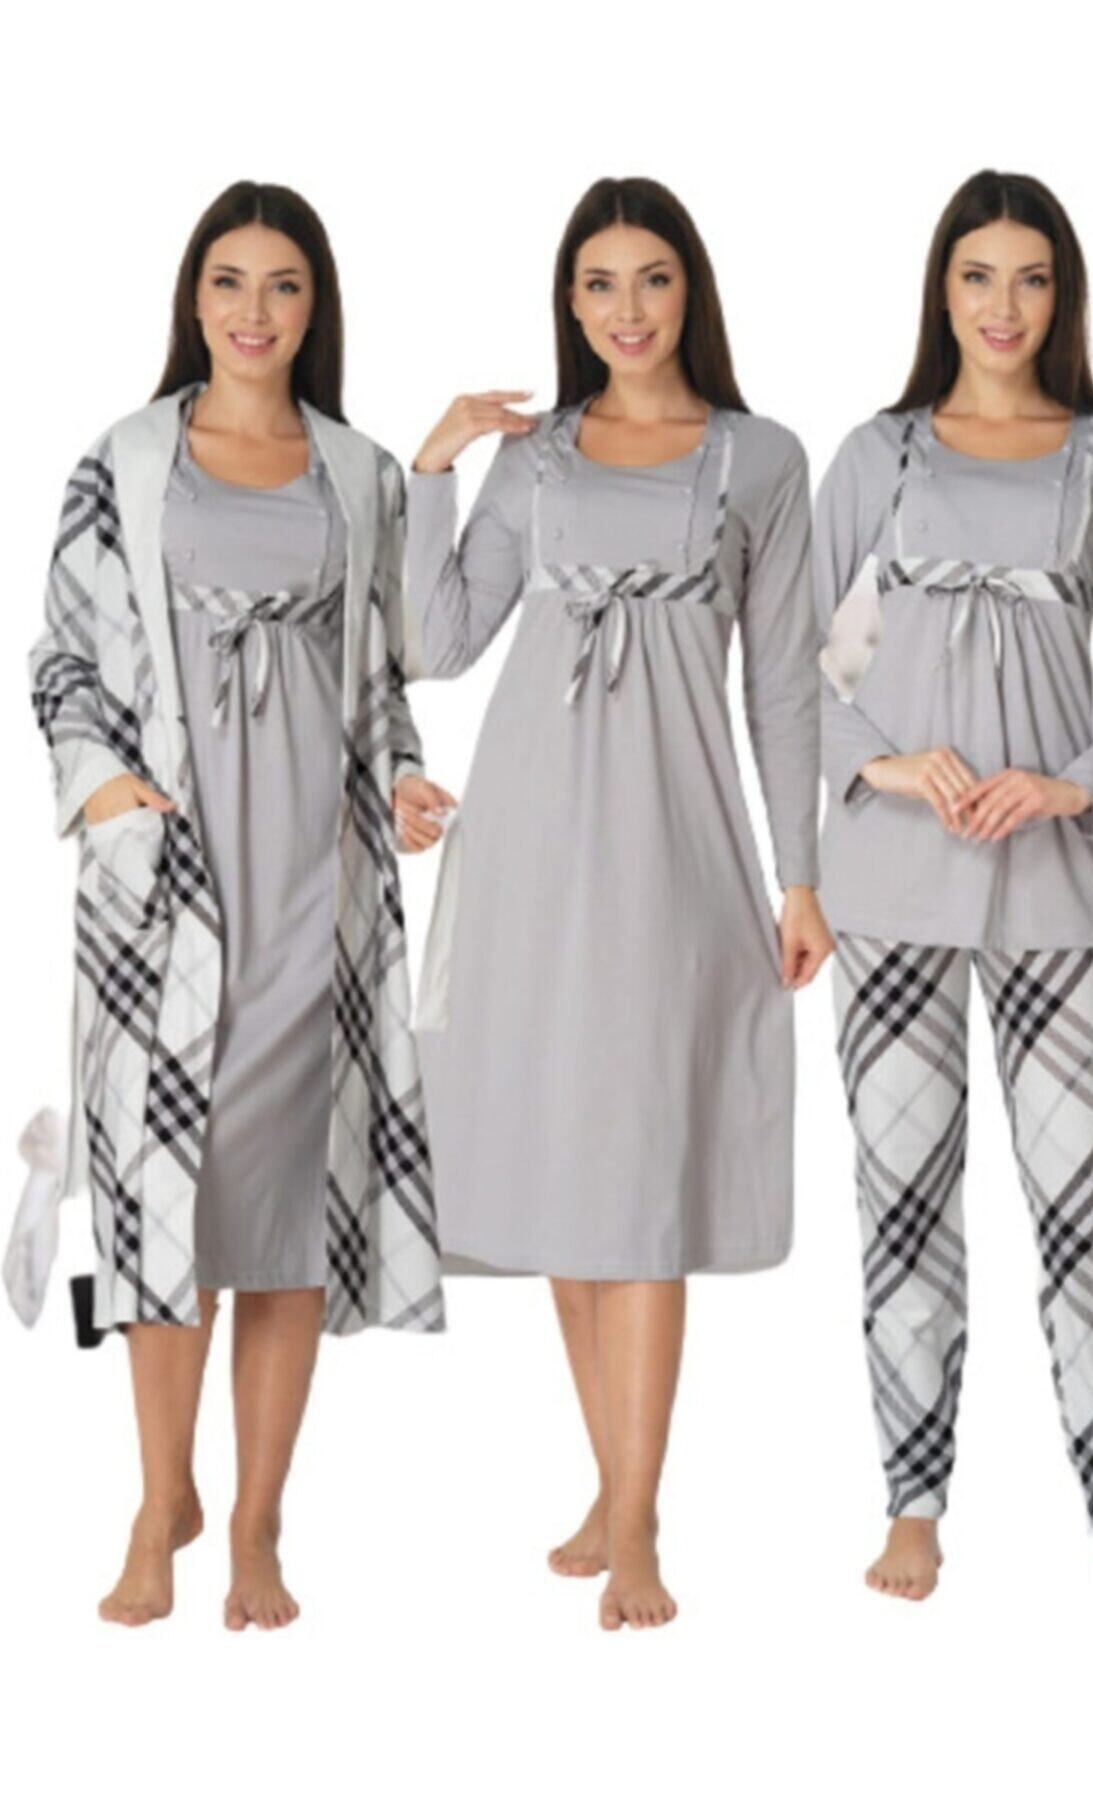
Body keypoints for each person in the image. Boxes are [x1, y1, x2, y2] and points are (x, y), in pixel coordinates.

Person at [405, 176, 832, 1630]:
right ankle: (613, 1488)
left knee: (643, 1166)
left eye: (652, 278)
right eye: (599, 283)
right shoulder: (533, 461)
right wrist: (434, 466)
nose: (627, 309)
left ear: (690, 288)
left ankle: (638, 1523)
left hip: (676, 851)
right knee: (568, 1174)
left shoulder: (761, 460)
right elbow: (439, 641)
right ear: (570, 302)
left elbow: (785, 687)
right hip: (529, 844)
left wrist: (800, 874)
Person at [28, 180, 451, 1630]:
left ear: (314, 305)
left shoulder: (362, 474)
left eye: (282, 286)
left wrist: (404, 782)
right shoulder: (126, 461)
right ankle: (161, 1500)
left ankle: (257, 1526)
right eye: (229, 282)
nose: (253, 312)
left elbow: (381, 683)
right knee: (163, 1204)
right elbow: (62, 661)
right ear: (193, 299)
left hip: (313, 897)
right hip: (168, 891)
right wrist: (103, 794)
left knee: (285, 1209)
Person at [814, 168, 1093, 1621]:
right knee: (905, 1205)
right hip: (891, 889)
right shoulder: (880, 454)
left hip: (1054, 886)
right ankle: (912, 1505)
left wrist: (1073, 785)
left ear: (1063, 295)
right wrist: (890, 765)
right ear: (943, 289)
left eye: (1031, 277)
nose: (1003, 304)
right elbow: (798, 666)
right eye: (978, 275)